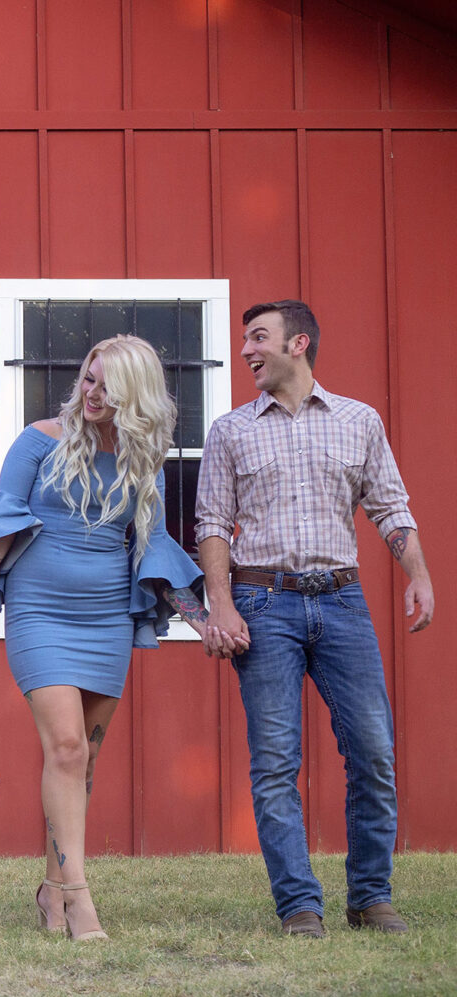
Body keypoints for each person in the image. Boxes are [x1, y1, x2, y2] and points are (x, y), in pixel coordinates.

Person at [0, 334, 209, 941]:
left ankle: (51, 891)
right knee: (67, 747)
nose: (91, 393)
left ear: (134, 394)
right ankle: (79, 895)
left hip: (106, 621)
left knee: (83, 760)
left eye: (106, 385)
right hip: (42, 614)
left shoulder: (143, 457)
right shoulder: (39, 441)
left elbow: (153, 546)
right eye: (88, 379)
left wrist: (204, 622)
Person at [197, 299, 433, 938]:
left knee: (373, 752)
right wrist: (219, 603)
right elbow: (213, 524)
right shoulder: (230, 430)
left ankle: (371, 897)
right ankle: (300, 907)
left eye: (258, 337)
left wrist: (418, 574)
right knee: (275, 762)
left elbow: (389, 507)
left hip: (342, 601)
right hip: (262, 603)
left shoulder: (359, 421)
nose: (247, 350)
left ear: (298, 344)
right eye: (245, 338)